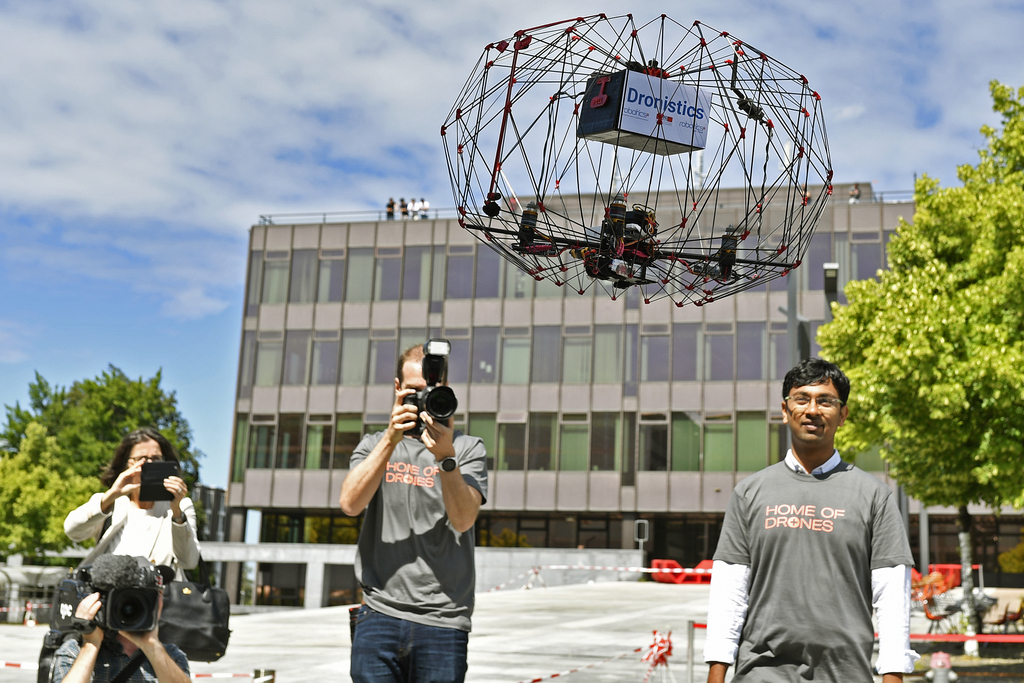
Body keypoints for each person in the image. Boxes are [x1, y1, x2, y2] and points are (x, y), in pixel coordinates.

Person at [704, 358, 917, 683]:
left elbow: (892, 596)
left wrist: (893, 674)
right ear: (785, 410)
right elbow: (729, 589)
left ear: (843, 415)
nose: (812, 409)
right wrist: (716, 672)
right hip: (760, 673)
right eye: (801, 399)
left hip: (845, 674)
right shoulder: (749, 493)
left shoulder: (875, 496)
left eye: (825, 401)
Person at [339, 344, 488, 683]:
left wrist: (446, 458)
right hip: (379, 612)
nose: (423, 401)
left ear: (446, 389)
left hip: (444, 619)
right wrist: (391, 438)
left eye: (431, 391)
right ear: (397, 389)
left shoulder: (467, 448)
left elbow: (464, 520)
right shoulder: (375, 444)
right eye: (414, 392)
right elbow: (349, 504)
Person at [64, 428, 200, 580]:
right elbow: (72, 531)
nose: (148, 465)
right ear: (126, 465)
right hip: (111, 597)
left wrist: (176, 512)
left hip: (160, 600)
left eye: (156, 459)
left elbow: (189, 561)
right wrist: (111, 495)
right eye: (141, 459)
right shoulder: (111, 504)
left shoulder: (180, 506)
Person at [51, 591, 190, 683]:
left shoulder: (171, 655)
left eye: (153, 593)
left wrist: (152, 646)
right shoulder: (74, 651)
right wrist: (91, 643)